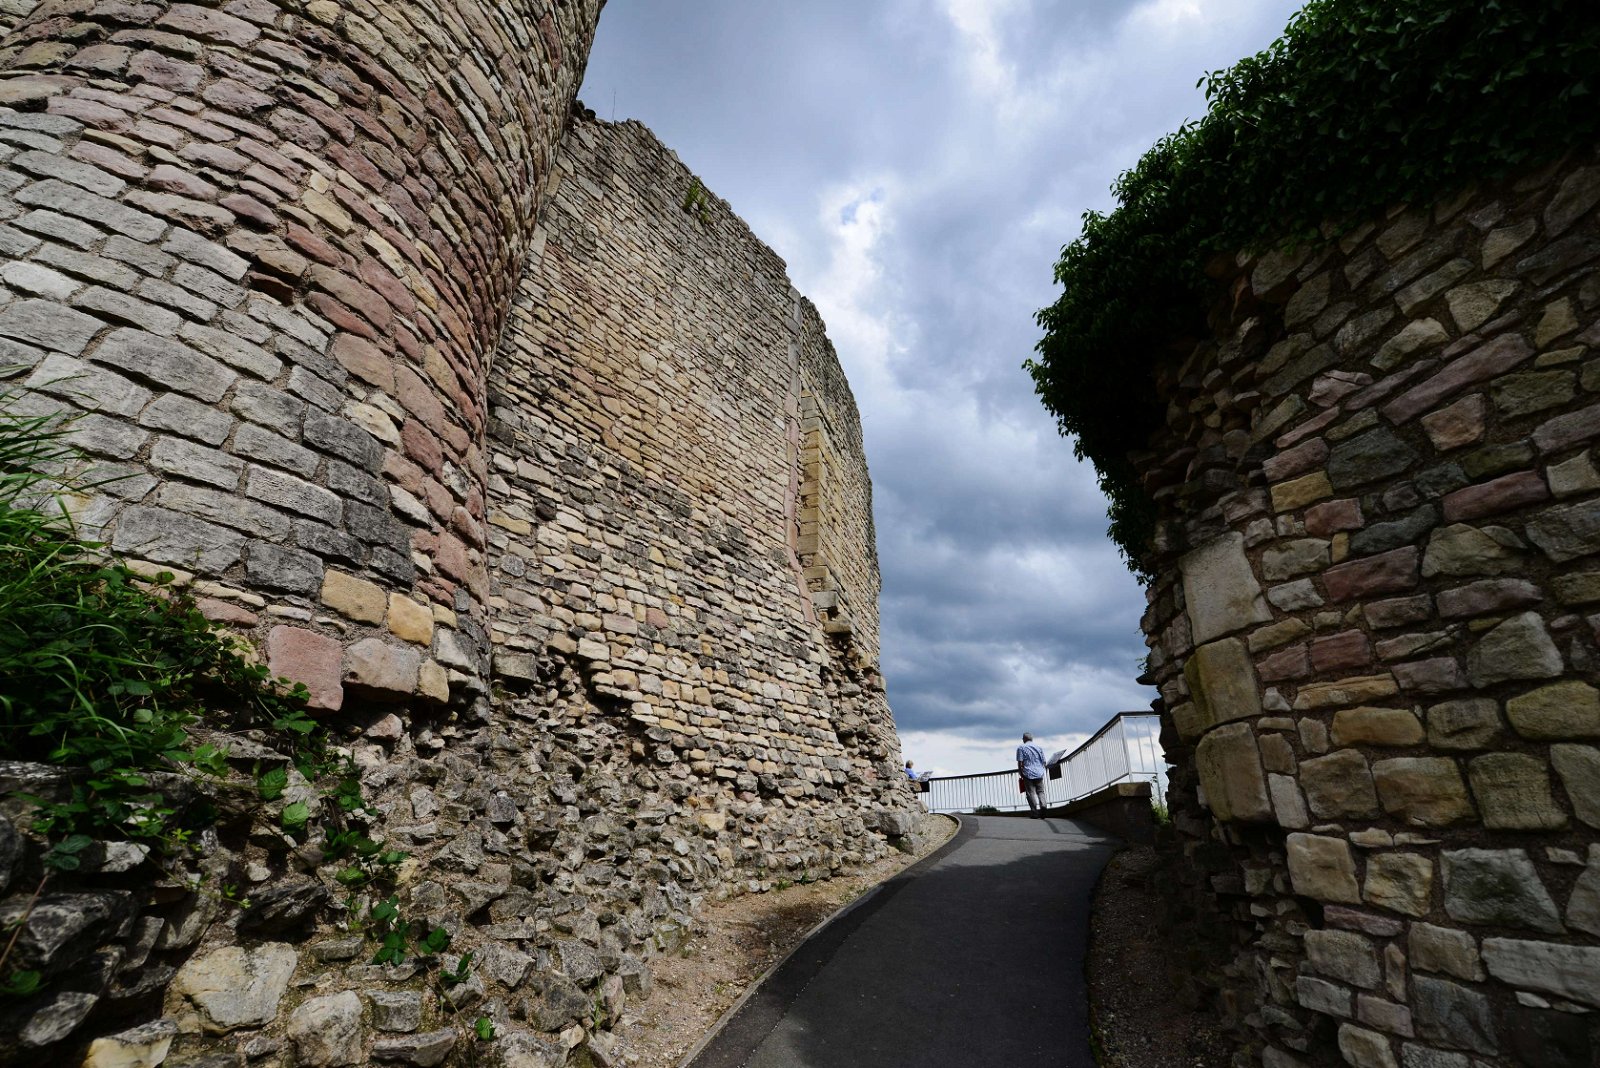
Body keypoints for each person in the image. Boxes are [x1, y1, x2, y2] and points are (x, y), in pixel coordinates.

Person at [1016, 733, 1049, 818]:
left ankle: (1035, 813)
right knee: (1040, 791)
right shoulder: (1039, 748)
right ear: (1032, 739)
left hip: (1028, 772)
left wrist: (1021, 772)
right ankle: (1044, 805)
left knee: (1030, 793)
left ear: (1024, 739)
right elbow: (1044, 762)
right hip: (1039, 772)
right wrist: (1042, 770)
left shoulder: (1021, 748)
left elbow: (1020, 762)